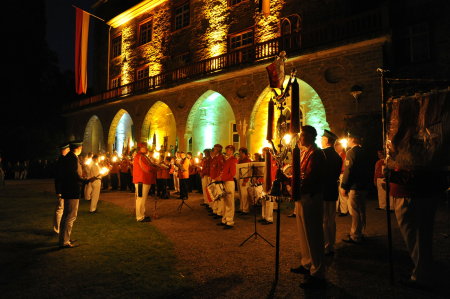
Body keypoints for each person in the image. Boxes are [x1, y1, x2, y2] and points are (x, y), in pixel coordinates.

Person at [290, 125, 327, 289]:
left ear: (311, 136)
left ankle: (318, 272)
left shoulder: (316, 154)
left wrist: (296, 186)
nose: (300, 138)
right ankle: (307, 263)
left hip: (311, 196)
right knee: (304, 233)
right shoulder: (305, 152)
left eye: (303, 135)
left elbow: (312, 177)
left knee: (314, 235)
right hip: (303, 196)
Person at [340, 131, 370, 244]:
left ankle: (355, 235)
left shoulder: (352, 152)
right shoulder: (364, 151)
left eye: (348, 138)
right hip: (364, 185)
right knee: (362, 210)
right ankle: (361, 232)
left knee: (355, 211)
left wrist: (344, 186)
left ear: (352, 139)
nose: (347, 141)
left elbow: (349, 170)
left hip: (355, 186)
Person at [59, 140, 91, 248]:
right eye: (81, 147)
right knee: (70, 216)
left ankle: (65, 238)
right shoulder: (71, 158)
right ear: (77, 148)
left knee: (67, 215)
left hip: (69, 189)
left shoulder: (70, 157)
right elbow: (73, 175)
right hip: (71, 190)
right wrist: (84, 180)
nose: (81, 149)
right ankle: (64, 241)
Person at [321, 129, 342, 256]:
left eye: (322, 139)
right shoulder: (337, 157)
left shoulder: (322, 154)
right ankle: (331, 245)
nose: (321, 141)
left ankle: (325, 245)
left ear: (327, 141)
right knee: (331, 219)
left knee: (324, 219)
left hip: (323, 189)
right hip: (332, 189)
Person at [216, 145, 238, 229]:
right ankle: (224, 219)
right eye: (226, 150)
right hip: (225, 181)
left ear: (232, 151)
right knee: (225, 202)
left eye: (228, 150)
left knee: (229, 202)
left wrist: (222, 178)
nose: (227, 151)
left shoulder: (233, 160)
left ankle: (229, 221)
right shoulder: (227, 160)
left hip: (229, 182)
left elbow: (232, 174)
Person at [132, 142, 154, 222]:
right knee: (140, 199)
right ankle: (140, 217)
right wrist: (154, 168)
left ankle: (142, 215)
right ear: (140, 148)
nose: (147, 148)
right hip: (141, 180)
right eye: (145, 147)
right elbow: (146, 168)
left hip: (143, 180)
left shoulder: (142, 156)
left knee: (142, 199)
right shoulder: (140, 156)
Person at [53, 142, 70, 234]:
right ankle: (57, 228)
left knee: (60, 208)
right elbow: (59, 178)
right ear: (65, 150)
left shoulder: (62, 160)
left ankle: (58, 227)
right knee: (60, 208)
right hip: (62, 189)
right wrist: (59, 191)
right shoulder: (62, 161)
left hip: (62, 188)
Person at [209, 144, 225, 219]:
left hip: (217, 179)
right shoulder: (215, 157)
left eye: (215, 149)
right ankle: (215, 210)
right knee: (215, 196)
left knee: (219, 196)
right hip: (213, 178)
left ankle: (220, 212)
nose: (213, 150)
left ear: (218, 150)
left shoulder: (221, 157)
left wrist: (220, 177)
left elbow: (222, 168)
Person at [237, 147, 252, 215]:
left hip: (245, 179)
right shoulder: (240, 160)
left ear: (243, 153)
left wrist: (245, 181)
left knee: (244, 195)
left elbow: (249, 172)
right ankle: (241, 208)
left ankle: (245, 209)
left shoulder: (248, 160)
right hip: (239, 178)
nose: (239, 154)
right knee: (240, 194)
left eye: (240, 153)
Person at [335, 140, 348, 216]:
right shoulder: (338, 154)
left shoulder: (344, 155)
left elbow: (344, 167)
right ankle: (336, 209)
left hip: (342, 175)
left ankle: (344, 211)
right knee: (337, 193)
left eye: (337, 146)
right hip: (338, 175)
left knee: (342, 193)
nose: (335, 147)